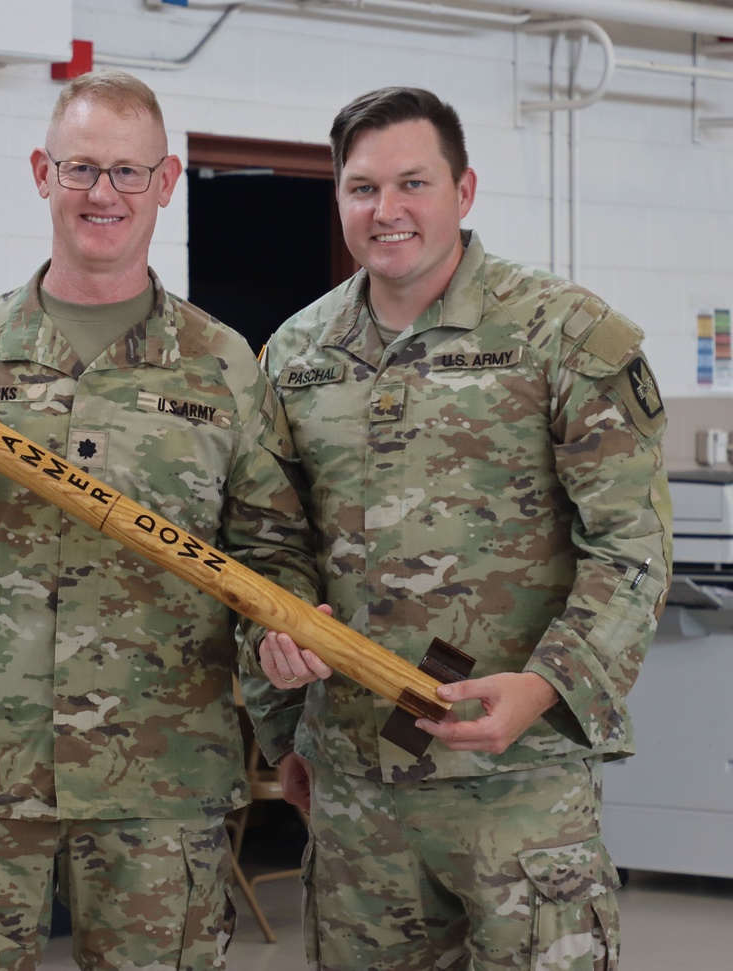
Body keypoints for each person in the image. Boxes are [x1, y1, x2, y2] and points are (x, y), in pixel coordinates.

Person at [0, 69, 319, 971]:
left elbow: (273, 551)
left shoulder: (223, 366)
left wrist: (285, 652)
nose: (104, 194)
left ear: (166, 182)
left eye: (129, 172)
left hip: (162, 763)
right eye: (81, 167)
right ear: (40, 171)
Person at [238, 86, 672, 971]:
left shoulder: (567, 335)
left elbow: (630, 547)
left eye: (413, 184)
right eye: (361, 188)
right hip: (357, 795)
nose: (386, 211)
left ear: (463, 191)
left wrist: (548, 685)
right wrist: (280, 705)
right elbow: (270, 546)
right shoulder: (295, 355)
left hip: (518, 789)